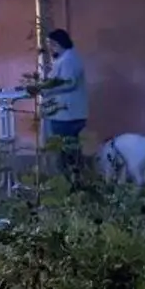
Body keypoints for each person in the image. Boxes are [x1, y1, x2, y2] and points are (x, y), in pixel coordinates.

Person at [42, 29, 88, 179]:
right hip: (67, 113)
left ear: (58, 44)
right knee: (70, 151)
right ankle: (75, 182)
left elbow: (68, 83)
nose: (49, 48)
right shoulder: (66, 58)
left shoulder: (69, 59)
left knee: (65, 152)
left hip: (66, 115)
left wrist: (47, 89)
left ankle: (70, 184)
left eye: (51, 44)